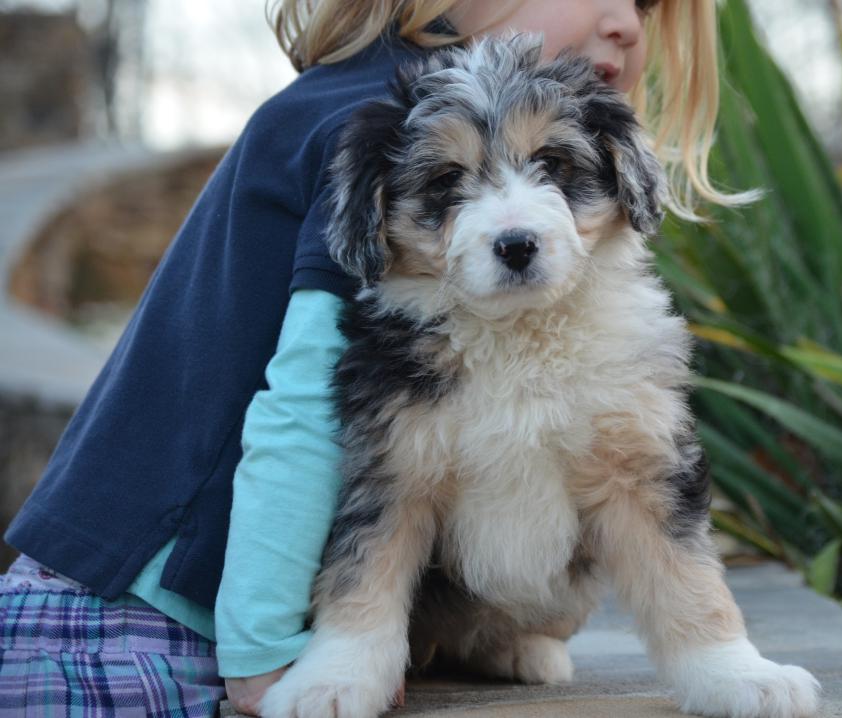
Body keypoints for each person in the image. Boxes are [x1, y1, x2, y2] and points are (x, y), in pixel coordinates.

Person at [0, 1, 745, 715]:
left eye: (644, 3)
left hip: (139, 606)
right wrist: (265, 649)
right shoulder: (358, 122)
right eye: (451, 184)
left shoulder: (364, 101)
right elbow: (304, 422)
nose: (624, 20)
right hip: (131, 622)